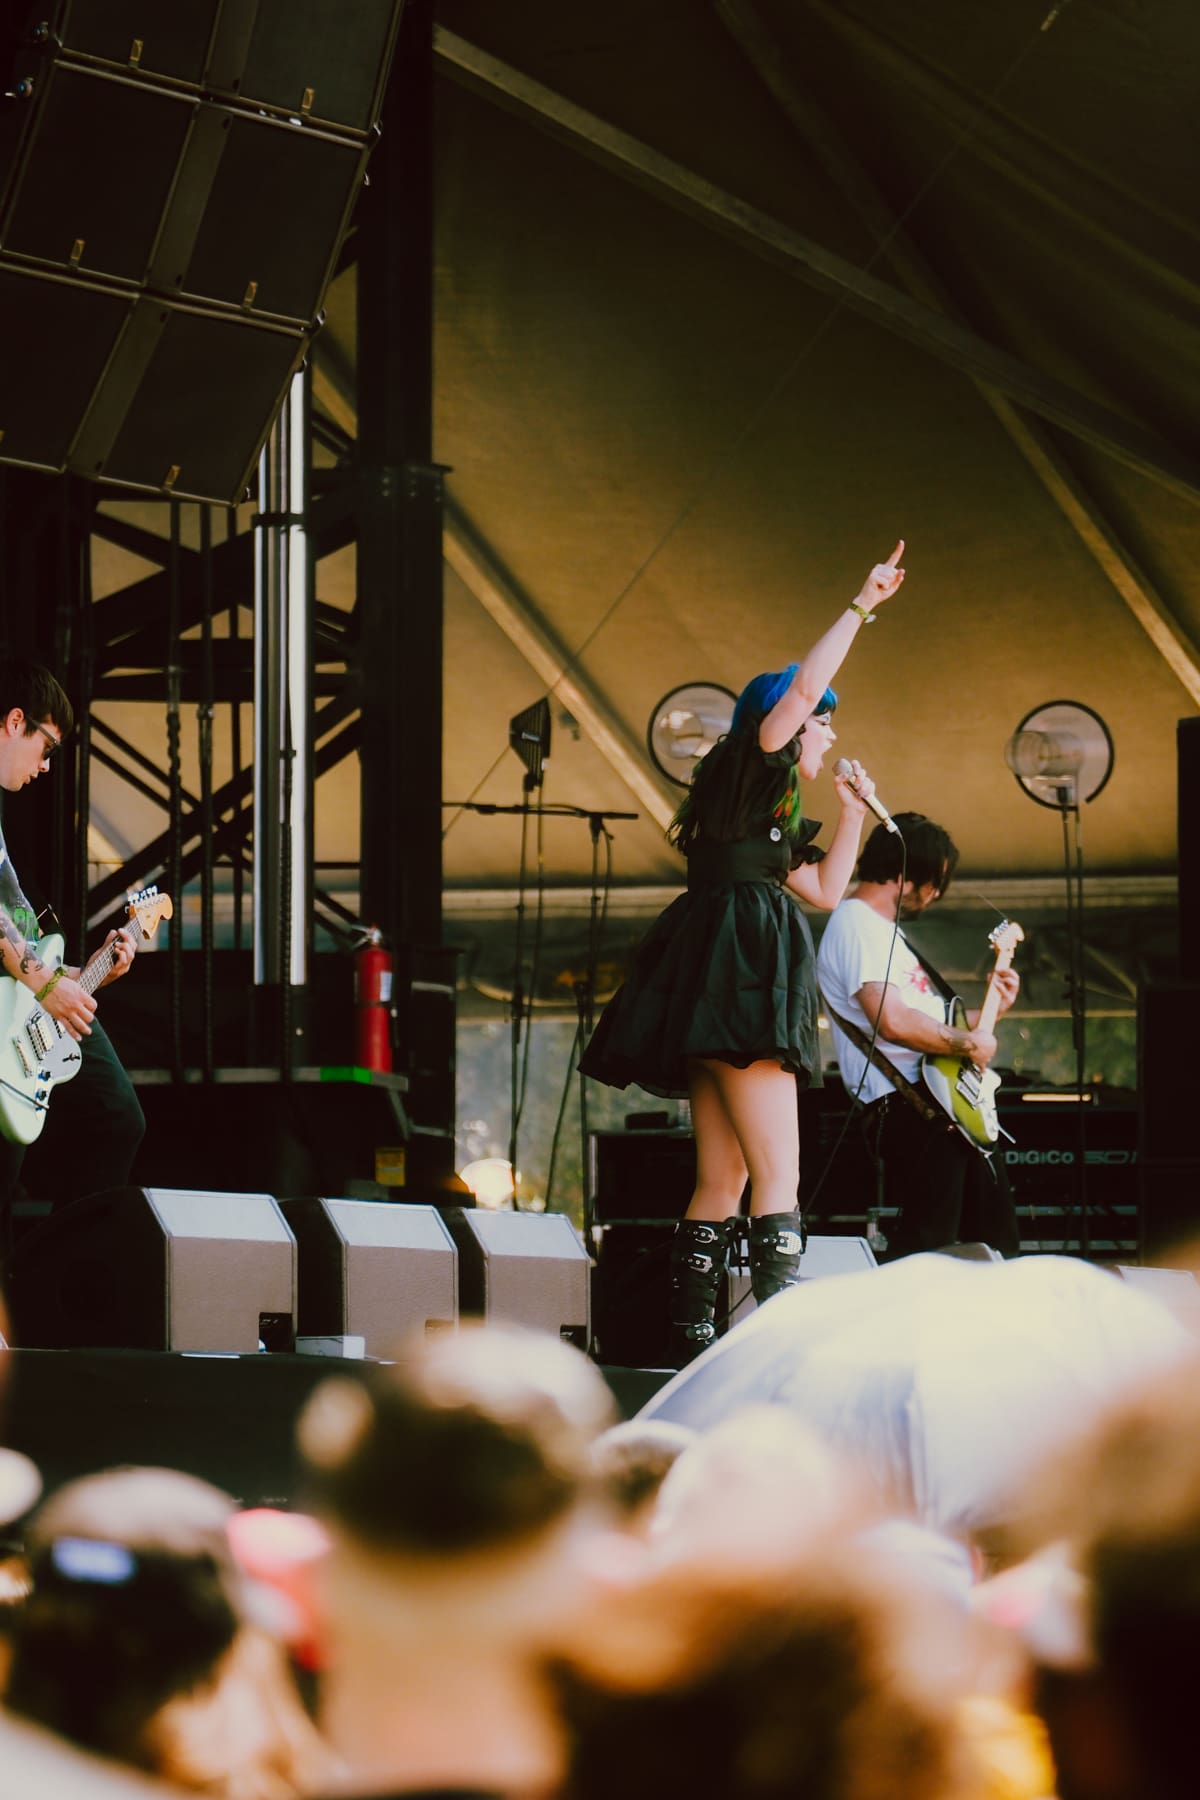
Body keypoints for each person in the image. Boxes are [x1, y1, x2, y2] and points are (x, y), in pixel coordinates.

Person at [580, 544, 906, 1360]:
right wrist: (861, 605)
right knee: (778, 1175)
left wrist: (852, 814)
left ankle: (693, 1344)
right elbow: (799, 689)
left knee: (722, 1179)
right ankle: (774, 1348)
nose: (827, 731)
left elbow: (825, 891)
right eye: (821, 721)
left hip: (717, 981)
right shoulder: (750, 763)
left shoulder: (759, 814)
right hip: (740, 983)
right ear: (785, 725)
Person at [816, 812, 1021, 1259]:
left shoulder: (883, 931)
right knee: (934, 1251)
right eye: (935, 882)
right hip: (912, 1106)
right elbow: (893, 1021)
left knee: (990, 1246)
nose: (935, 895)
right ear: (907, 875)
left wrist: (993, 1011)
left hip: (941, 1104)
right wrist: (970, 1043)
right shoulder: (857, 924)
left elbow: (931, 1024)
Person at [0, 657, 145, 1242]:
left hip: (25, 992)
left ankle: (60, 1273)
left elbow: (17, 923)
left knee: (117, 1117)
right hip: (23, 992)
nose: (45, 766)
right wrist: (46, 982)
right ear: (15, 722)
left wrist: (88, 971)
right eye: (47, 747)